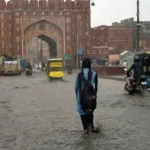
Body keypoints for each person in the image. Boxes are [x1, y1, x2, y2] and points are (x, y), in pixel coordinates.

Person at [75, 58, 98, 134]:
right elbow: (96, 87)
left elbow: (76, 88)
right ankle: (92, 127)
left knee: (81, 110)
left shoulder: (79, 75)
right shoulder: (94, 73)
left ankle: (85, 129)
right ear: (89, 65)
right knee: (90, 111)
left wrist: (77, 98)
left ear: (83, 65)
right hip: (91, 98)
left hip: (82, 98)